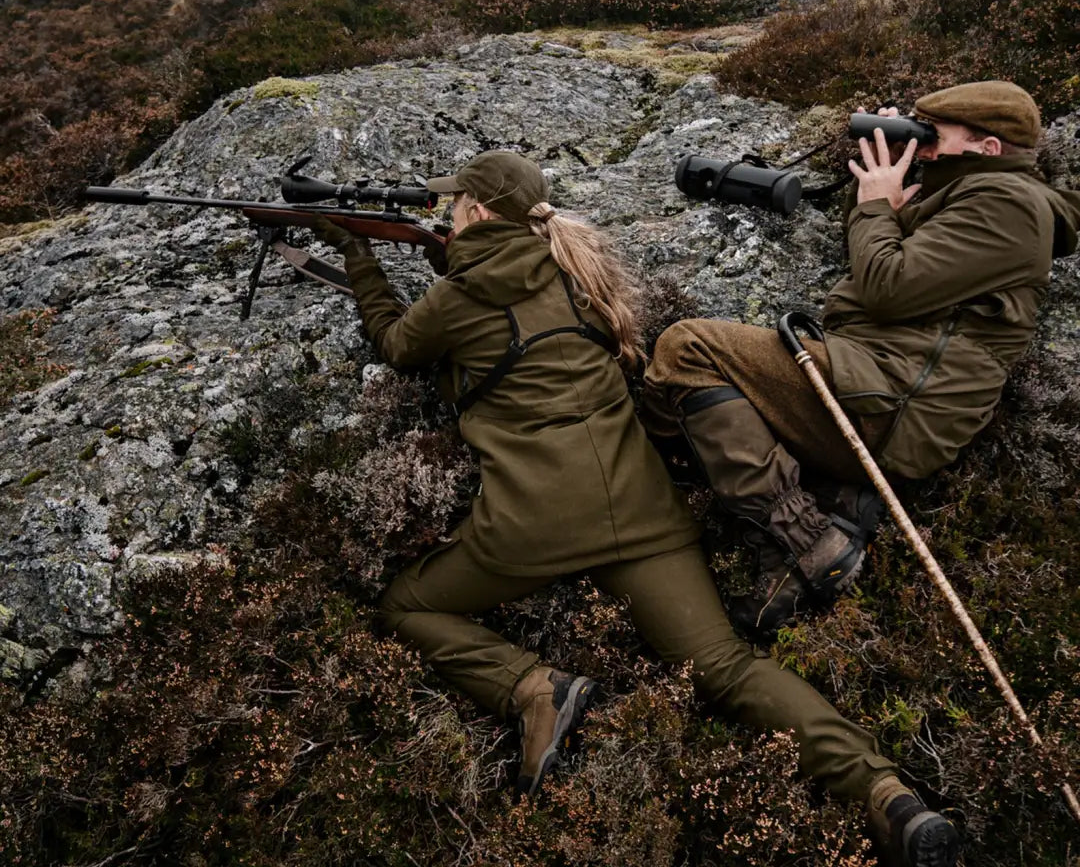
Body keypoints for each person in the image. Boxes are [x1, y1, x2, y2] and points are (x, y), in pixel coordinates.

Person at [308, 149, 960, 867]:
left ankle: (533, 689)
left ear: (478, 213)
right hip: (645, 514)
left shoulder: (458, 300)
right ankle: (887, 795)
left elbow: (401, 343)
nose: (446, 212)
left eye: (454, 204)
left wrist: (359, 257)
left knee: (405, 606)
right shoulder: (577, 270)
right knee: (726, 669)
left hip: (532, 527)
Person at [643, 80, 1080, 638]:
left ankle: (803, 539)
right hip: (877, 380)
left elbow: (886, 287)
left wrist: (877, 205)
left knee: (689, 347)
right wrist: (882, 193)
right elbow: (886, 268)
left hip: (895, 404)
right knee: (707, 373)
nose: (919, 142)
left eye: (933, 134)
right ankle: (833, 501)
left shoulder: (1009, 206)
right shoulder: (967, 195)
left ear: (987, 148)